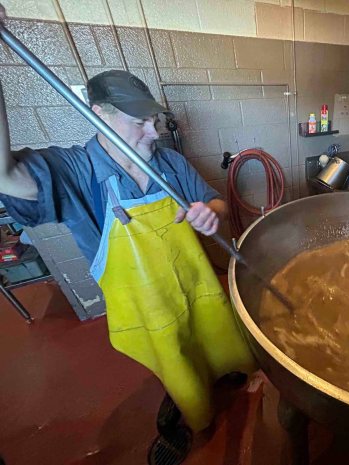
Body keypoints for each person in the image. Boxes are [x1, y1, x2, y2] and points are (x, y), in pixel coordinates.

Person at [0, 4, 255, 439]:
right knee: (182, 376)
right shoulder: (77, 172)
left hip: (203, 298)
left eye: (155, 119)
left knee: (224, 351)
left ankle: (231, 381)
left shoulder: (169, 162)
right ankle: (197, 424)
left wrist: (210, 216)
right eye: (140, 122)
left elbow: (217, 203)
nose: (154, 131)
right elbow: (4, 175)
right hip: (151, 313)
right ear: (101, 115)